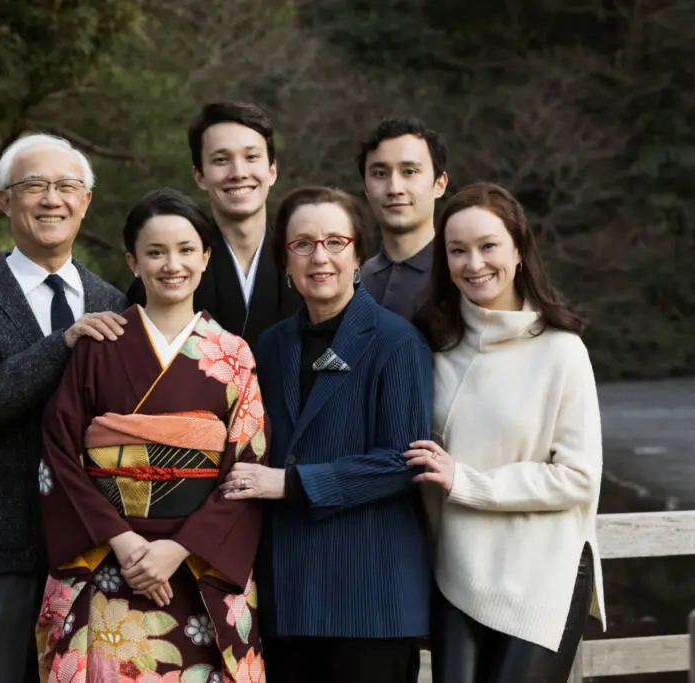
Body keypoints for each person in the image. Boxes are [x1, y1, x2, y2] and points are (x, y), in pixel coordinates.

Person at [37, 188, 269, 683]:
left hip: (197, 568)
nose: (172, 264)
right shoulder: (99, 346)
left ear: (206, 258)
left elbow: (245, 473)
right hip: (109, 563)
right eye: (155, 252)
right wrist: (123, 542)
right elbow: (59, 456)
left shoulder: (234, 355)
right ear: (133, 261)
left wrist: (177, 550)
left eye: (187, 250)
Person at [0, 133, 129, 683]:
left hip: (97, 546)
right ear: (4, 200)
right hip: (4, 546)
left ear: (86, 201)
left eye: (67, 186)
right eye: (34, 186)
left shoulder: (113, 300)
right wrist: (62, 343)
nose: (52, 199)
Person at [221, 186, 433, 683]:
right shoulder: (269, 347)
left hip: (371, 597)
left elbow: (402, 462)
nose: (321, 257)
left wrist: (290, 483)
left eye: (336, 242)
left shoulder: (397, 341)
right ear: (285, 260)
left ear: (358, 252)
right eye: (303, 244)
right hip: (289, 594)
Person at [409, 182, 606, 683]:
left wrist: (467, 481)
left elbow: (579, 477)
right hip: (458, 573)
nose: (473, 263)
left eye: (488, 246)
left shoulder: (562, 351)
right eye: (457, 251)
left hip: (545, 571)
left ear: (518, 250)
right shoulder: (436, 350)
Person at [127, 101, 299, 349]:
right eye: (221, 160)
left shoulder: (303, 261)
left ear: (272, 170)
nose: (238, 172)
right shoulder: (172, 269)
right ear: (199, 176)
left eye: (251, 157)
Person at [358, 117, 449, 321]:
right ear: (365, 187)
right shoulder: (353, 284)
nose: (394, 189)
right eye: (380, 174)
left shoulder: (461, 275)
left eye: (409, 172)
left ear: (440, 184)